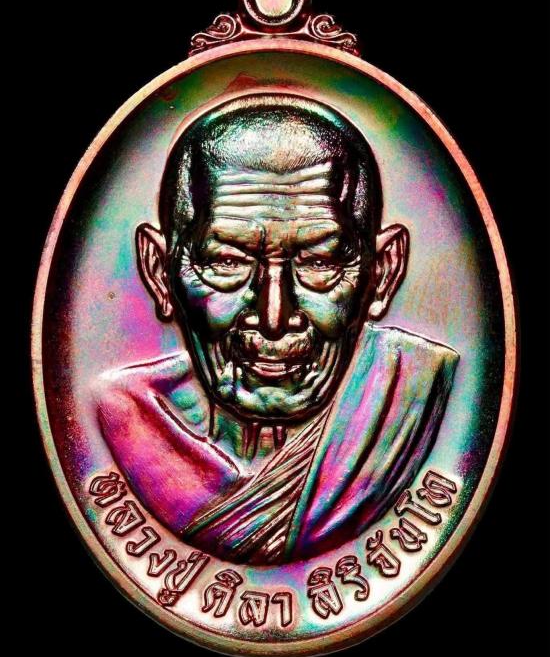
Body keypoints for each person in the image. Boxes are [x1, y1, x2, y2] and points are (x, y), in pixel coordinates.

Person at [94, 92, 459, 564]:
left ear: (382, 275)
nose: (273, 317)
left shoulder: (410, 395)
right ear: (160, 273)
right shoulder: (125, 418)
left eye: (319, 262)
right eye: (227, 261)